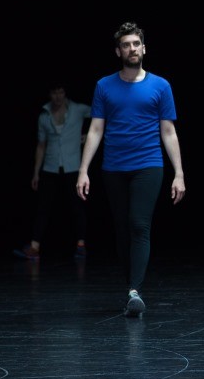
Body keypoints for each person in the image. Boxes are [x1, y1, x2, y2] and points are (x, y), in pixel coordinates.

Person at [76, 21, 186, 317]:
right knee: (122, 229)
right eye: (126, 44)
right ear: (118, 51)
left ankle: (135, 290)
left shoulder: (160, 86)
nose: (132, 49)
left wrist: (179, 173)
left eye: (136, 44)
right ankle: (131, 286)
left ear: (144, 48)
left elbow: (168, 131)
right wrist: (83, 170)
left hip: (148, 165)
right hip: (113, 168)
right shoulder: (104, 85)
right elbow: (96, 129)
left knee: (139, 225)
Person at [13, 82, 93, 261]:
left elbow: (102, 116)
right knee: (43, 207)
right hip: (50, 166)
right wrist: (36, 172)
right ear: (50, 94)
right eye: (54, 93)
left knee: (77, 206)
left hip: (73, 166)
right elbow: (41, 145)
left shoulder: (78, 110)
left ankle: (81, 245)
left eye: (61, 92)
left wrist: (89, 136)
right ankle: (35, 247)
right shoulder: (44, 116)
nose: (58, 96)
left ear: (65, 93)